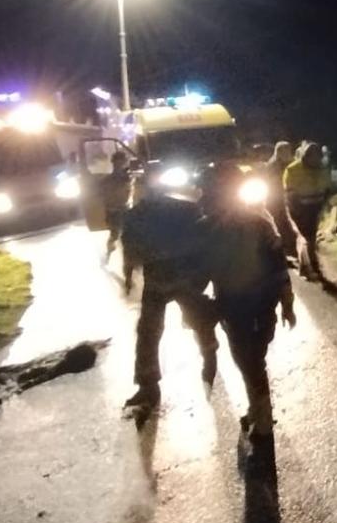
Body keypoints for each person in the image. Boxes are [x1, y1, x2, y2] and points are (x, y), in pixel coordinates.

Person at [200, 164, 296, 440]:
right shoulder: (259, 223)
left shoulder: (208, 227)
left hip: (239, 307)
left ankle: (262, 417)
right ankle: (258, 409)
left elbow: (198, 272)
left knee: (249, 361)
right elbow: (280, 269)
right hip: (258, 306)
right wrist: (286, 303)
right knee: (253, 359)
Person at [121, 195, 219, 413]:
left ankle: (149, 385)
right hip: (175, 277)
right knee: (189, 320)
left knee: (151, 331)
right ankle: (208, 354)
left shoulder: (137, 215)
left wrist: (128, 274)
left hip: (167, 278)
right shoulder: (185, 208)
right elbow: (205, 243)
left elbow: (130, 251)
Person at [283, 141, 331, 281]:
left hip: (314, 208)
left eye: (318, 157)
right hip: (298, 209)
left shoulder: (322, 169)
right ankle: (313, 266)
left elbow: (327, 188)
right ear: (305, 156)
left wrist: (324, 204)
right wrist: (296, 210)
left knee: (310, 238)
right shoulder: (293, 170)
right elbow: (289, 193)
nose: (315, 160)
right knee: (307, 238)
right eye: (312, 157)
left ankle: (305, 268)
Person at [264, 141, 297, 258]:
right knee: (280, 223)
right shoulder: (272, 165)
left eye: (287, 150)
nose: (286, 153)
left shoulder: (293, 164)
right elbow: (271, 182)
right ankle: (286, 248)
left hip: (290, 198)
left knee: (289, 223)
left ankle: (291, 246)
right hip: (275, 199)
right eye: (283, 151)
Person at [102, 150, 132, 263]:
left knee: (127, 236)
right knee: (115, 235)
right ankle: (109, 253)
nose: (122, 164)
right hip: (115, 211)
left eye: (123, 161)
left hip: (124, 210)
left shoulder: (127, 177)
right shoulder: (109, 180)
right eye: (121, 161)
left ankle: (127, 260)